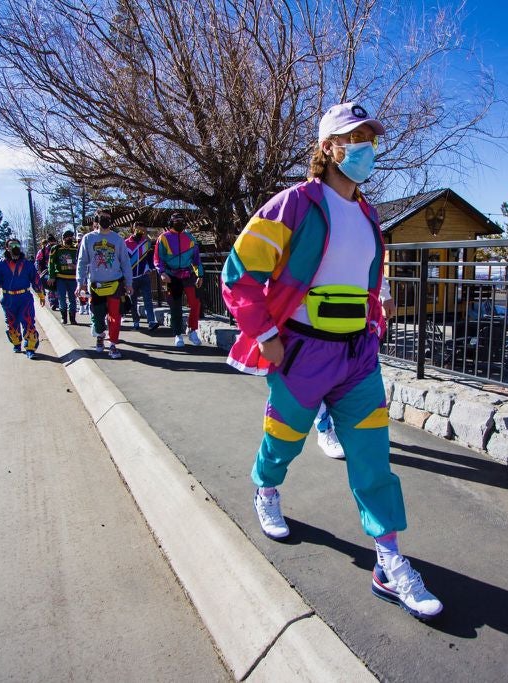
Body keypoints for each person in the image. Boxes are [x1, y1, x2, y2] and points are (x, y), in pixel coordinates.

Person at [221, 102, 442, 620]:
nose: (364, 146)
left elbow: (367, 277)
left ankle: (388, 561)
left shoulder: (369, 215)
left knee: (373, 456)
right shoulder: (294, 204)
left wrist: (376, 310)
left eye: (369, 137)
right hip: (301, 352)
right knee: (284, 438)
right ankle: (265, 488)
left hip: (357, 357)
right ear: (327, 148)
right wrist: (268, 335)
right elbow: (238, 272)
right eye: (353, 137)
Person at [314, 280, 393, 460]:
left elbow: (369, 257)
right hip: (318, 311)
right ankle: (324, 428)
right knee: (319, 377)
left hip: (356, 316)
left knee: (351, 377)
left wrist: (385, 295)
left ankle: (345, 425)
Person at [76, 210, 133, 359]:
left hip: (116, 282)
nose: (105, 220)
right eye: (102, 218)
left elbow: (125, 262)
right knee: (98, 316)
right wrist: (80, 283)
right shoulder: (88, 238)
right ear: (96, 220)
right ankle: (100, 335)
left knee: (115, 315)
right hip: (96, 284)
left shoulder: (118, 239)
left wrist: (129, 282)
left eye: (108, 218)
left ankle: (113, 344)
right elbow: (82, 262)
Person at [0, 237, 45, 359]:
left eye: (17, 245)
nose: (15, 248)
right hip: (9, 299)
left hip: (25, 298)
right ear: (7, 248)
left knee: (29, 322)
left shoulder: (27, 264)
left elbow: (36, 280)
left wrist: (41, 295)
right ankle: (16, 343)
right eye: (12, 245)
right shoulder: (0, 265)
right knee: (12, 324)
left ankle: (30, 348)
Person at [154, 213, 203, 347]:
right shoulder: (163, 238)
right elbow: (158, 258)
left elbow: (196, 259)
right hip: (172, 276)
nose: (179, 222)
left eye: (182, 220)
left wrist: (200, 275)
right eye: (176, 220)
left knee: (195, 303)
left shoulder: (190, 238)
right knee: (175, 307)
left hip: (188, 274)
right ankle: (178, 334)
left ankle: (192, 330)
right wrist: (162, 272)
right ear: (171, 222)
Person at [124, 222, 161, 331]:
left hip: (144, 275)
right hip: (131, 278)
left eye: (142, 229)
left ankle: (151, 321)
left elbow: (151, 258)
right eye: (138, 229)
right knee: (133, 301)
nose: (140, 231)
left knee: (148, 299)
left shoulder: (146, 243)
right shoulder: (125, 243)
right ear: (133, 229)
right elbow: (123, 261)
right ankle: (136, 321)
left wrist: (149, 268)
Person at [48, 229, 79, 324]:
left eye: (71, 237)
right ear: (63, 238)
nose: (69, 239)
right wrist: (51, 276)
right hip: (60, 277)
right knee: (61, 298)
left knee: (73, 298)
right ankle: (64, 317)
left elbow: (81, 261)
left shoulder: (76, 249)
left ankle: (73, 318)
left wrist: (76, 266)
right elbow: (51, 263)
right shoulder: (56, 248)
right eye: (67, 237)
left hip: (72, 278)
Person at [35, 234, 59, 311]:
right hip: (46, 271)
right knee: (51, 287)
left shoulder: (58, 249)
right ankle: (53, 302)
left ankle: (56, 302)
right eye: (51, 242)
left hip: (57, 271)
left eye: (53, 242)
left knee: (56, 287)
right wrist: (39, 271)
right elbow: (38, 261)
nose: (52, 244)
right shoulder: (43, 250)